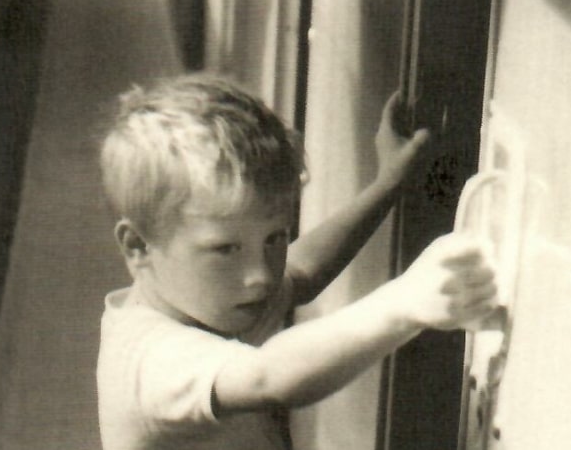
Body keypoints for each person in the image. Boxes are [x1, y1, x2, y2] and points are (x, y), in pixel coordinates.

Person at [96, 74, 497, 450]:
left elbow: (304, 270)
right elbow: (267, 377)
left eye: (275, 238)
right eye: (226, 249)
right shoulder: (147, 360)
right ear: (137, 246)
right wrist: (404, 302)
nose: (260, 275)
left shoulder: (214, 296)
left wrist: (387, 184)